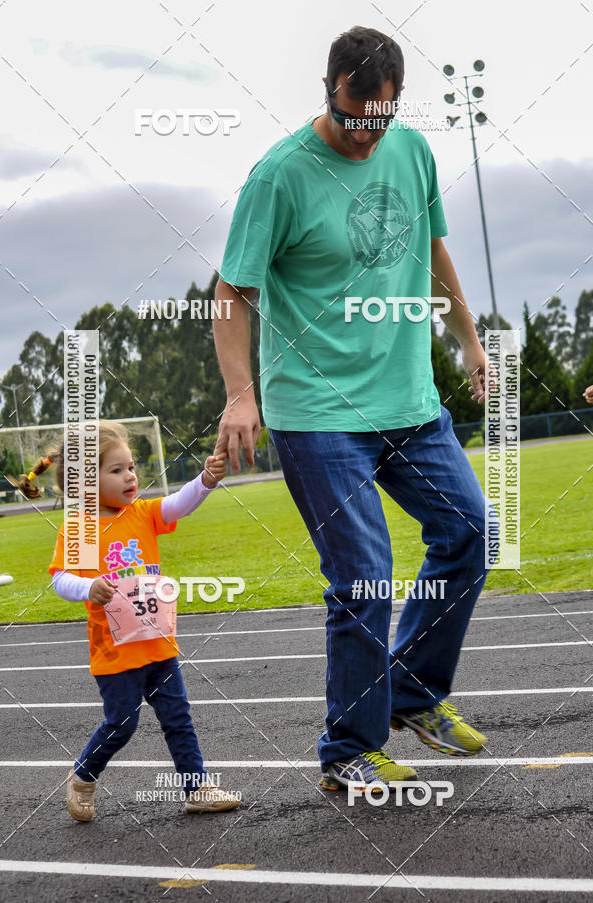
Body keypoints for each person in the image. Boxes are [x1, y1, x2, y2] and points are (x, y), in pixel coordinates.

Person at [213, 26, 493, 791]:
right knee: (366, 570)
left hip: (410, 401)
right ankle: (348, 747)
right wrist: (242, 394)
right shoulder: (279, 176)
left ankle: (413, 693)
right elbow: (231, 293)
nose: (370, 135)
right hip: (318, 414)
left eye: (384, 118)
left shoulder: (412, 153)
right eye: (357, 116)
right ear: (333, 87)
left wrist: (469, 342)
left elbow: (435, 251)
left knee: (468, 529)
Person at [13, 420, 241, 819]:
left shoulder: (142, 514)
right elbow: (61, 580)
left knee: (178, 717)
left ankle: (197, 787)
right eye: (116, 470)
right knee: (122, 724)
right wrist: (88, 588)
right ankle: (84, 776)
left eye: (131, 467)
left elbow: (178, 504)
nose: (130, 476)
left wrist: (205, 480)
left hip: (158, 642)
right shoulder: (81, 531)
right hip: (115, 653)